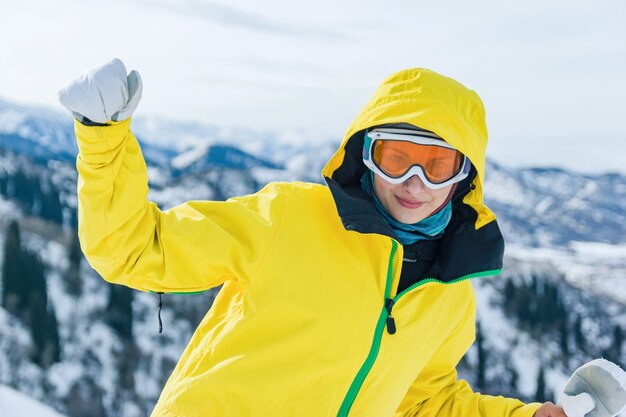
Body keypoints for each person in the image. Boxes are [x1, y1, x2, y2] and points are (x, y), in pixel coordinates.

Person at [58, 59, 570, 417]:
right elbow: (134, 248)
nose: (416, 183)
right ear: (365, 154)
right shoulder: (289, 218)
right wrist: (103, 138)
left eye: (438, 166)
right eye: (397, 158)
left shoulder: (450, 294)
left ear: (465, 178)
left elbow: (422, 403)